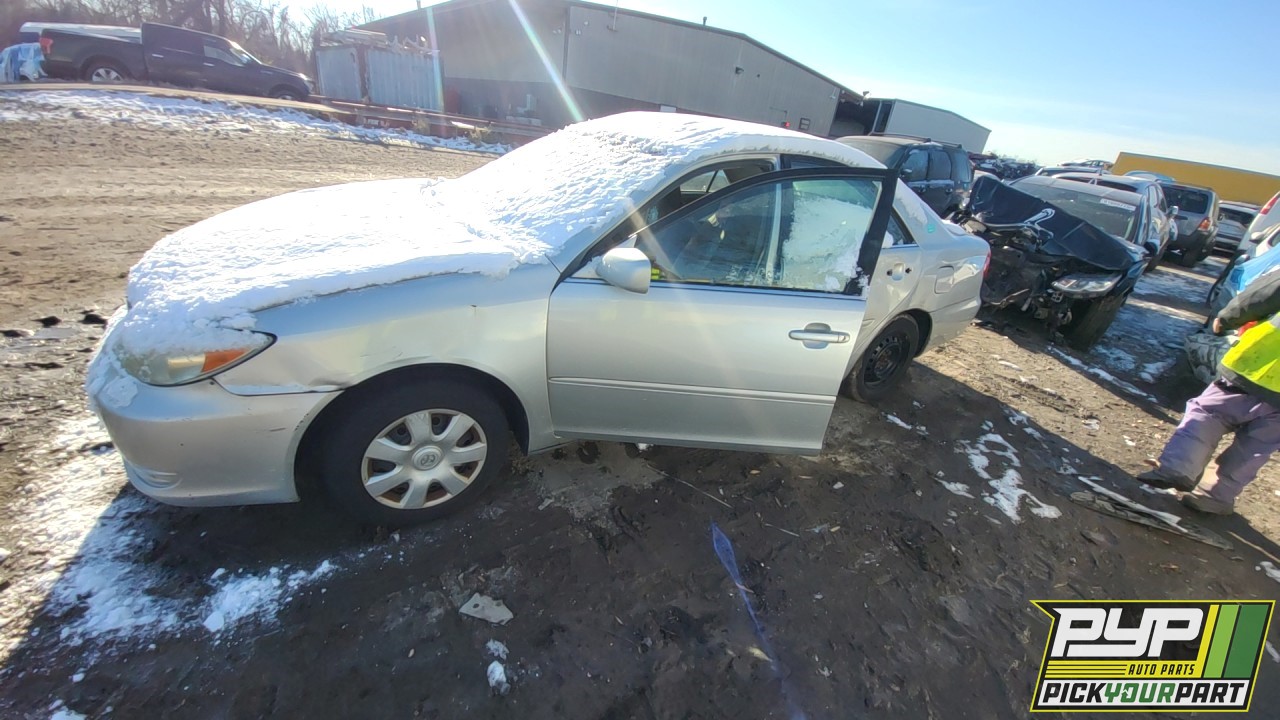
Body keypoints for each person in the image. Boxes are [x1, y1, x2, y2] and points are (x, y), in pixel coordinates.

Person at [1136, 269, 1280, 515]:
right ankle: (1215, 495)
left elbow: (1261, 295)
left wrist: (1225, 319)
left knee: (1208, 414)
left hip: (1254, 367)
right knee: (1256, 447)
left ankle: (1179, 467)